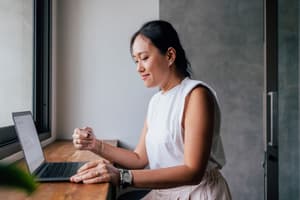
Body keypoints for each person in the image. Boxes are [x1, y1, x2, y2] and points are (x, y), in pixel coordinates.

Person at [70, 20, 232, 200]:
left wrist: (123, 176)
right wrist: (94, 144)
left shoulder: (197, 95)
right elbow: (139, 158)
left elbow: (193, 172)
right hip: (163, 194)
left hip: (197, 194)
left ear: (170, 55)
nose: (139, 68)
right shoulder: (156, 101)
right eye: (135, 60)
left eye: (144, 58)